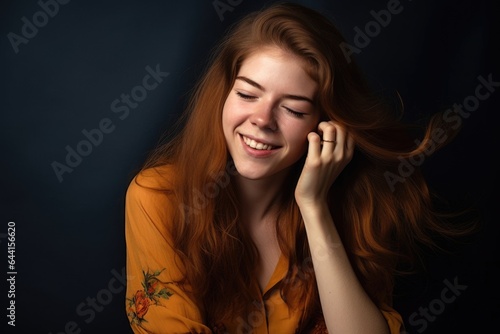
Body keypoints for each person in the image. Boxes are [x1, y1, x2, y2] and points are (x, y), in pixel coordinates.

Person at [124, 2, 474, 333]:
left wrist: (314, 206)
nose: (262, 120)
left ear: (326, 125)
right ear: (223, 96)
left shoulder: (354, 206)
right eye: (247, 94)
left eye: (292, 109)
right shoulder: (158, 198)